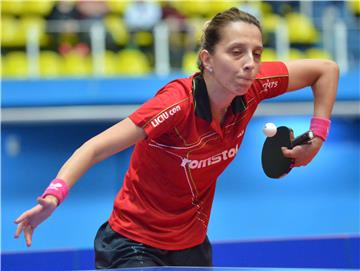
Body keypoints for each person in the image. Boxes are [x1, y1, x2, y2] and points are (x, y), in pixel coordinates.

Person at [14, 7, 339, 269]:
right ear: (207, 59)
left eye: (257, 53)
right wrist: (54, 196)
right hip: (132, 245)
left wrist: (318, 137)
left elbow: (325, 69)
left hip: (192, 246)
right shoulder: (176, 104)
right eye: (237, 52)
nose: (250, 64)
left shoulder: (255, 86)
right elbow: (95, 148)